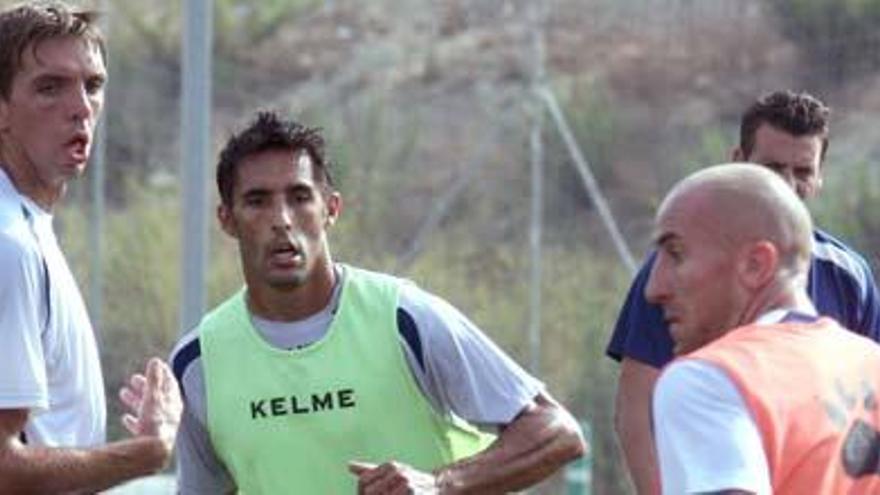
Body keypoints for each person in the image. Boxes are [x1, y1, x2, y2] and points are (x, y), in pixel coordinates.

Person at [170, 110, 586, 494]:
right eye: (258, 201)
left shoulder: (405, 317)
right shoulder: (198, 362)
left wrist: (440, 485)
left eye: (299, 197)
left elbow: (556, 430)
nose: (281, 219)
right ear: (227, 220)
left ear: (330, 209)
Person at [605, 90, 880, 494]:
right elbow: (635, 404)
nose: (788, 184)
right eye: (772, 167)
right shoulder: (680, 274)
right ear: (739, 163)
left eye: (802, 171)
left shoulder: (849, 276)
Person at [0, 2, 182, 492]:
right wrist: (146, 452)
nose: (80, 107)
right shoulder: (8, 245)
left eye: (93, 86)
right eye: (49, 87)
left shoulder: (26, 226)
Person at [647, 162, 880, 493]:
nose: (653, 288)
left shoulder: (709, 380)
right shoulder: (871, 363)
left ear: (756, 265)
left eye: (676, 253)